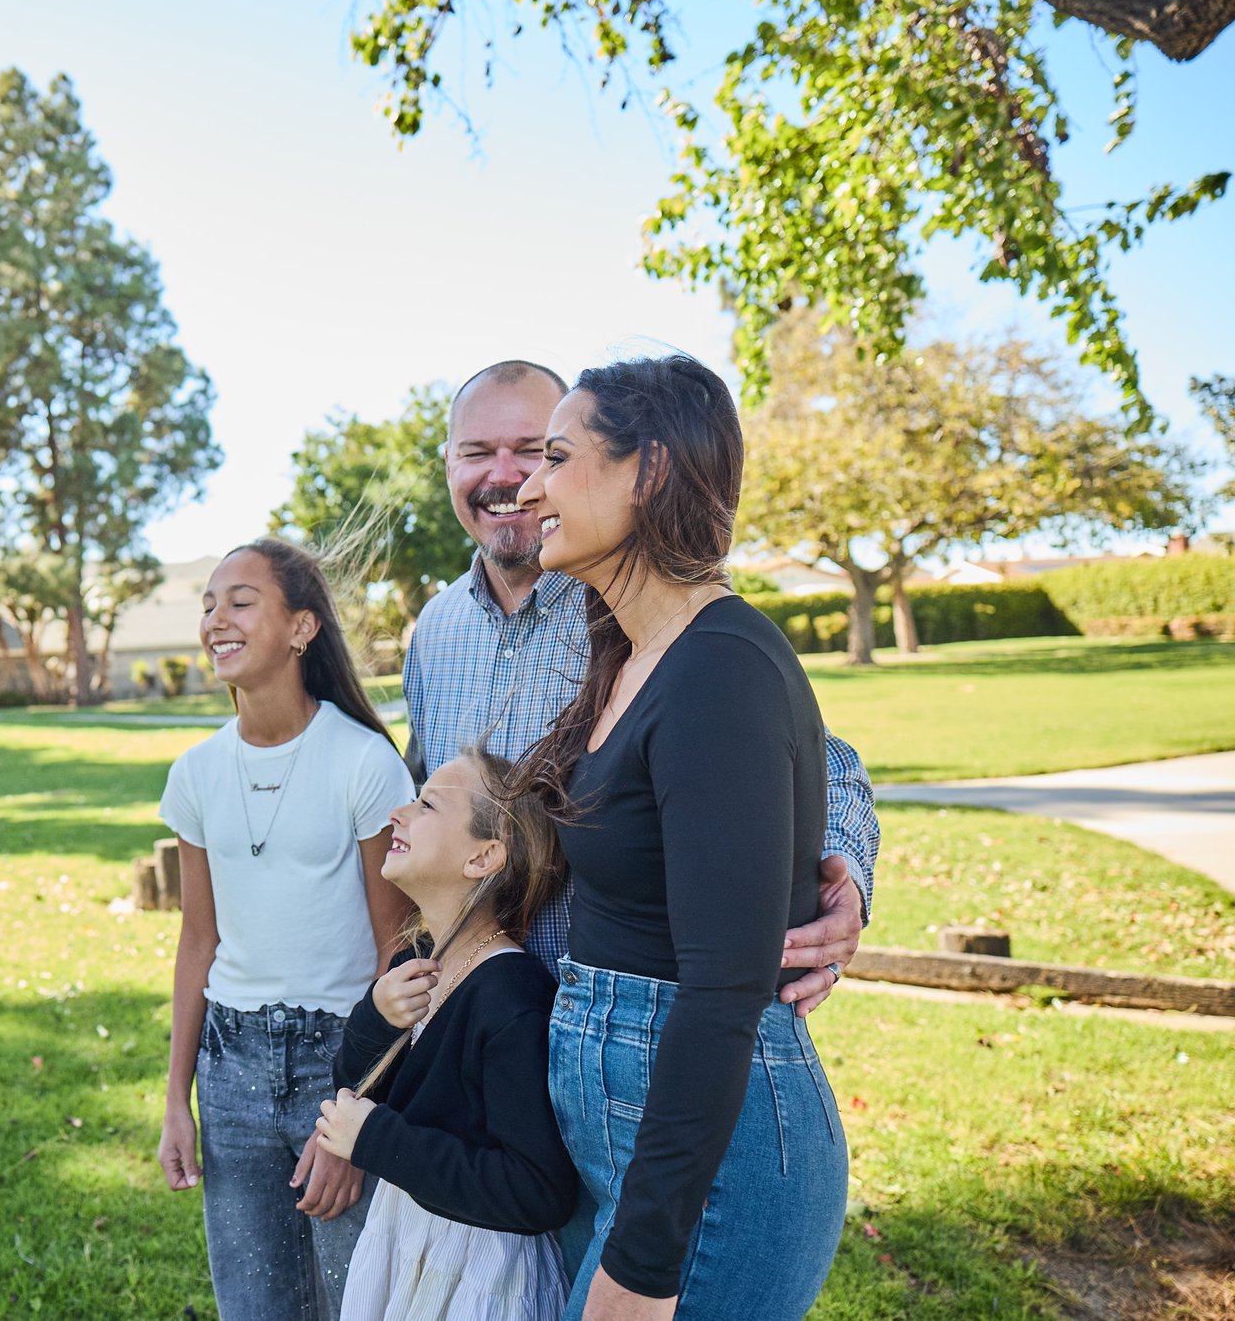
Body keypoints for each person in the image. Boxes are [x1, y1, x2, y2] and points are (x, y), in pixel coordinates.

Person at [516, 354, 849, 1318]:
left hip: (714, 1170)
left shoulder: (721, 667)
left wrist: (645, 1262)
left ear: (648, 470)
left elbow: (723, 989)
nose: (530, 485)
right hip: (632, 1143)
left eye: (558, 455)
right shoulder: (635, 651)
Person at [402, 359, 878, 1013]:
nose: (510, 476)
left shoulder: (636, 600)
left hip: (624, 1027)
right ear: (448, 462)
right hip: (476, 1040)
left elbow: (826, 765)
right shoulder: (434, 630)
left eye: (539, 451)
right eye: (477, 452)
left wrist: (841, 884)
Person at [155, 537, 415, 1321]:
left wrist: (351, 1114)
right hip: (229, 1067)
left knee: (352, 1300)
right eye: (207, 603)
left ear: (302, 629)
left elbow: (394, 950)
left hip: (338, 1057)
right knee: (254, 1304)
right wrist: (177, 1096)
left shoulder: (363, 762)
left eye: (240, 600)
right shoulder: (195, 773)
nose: (216, 618)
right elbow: (198, 939)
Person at [319, 749, 578, 1321]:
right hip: (408, 1236)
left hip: (478, 1270)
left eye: (427, 804)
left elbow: (538, 1190)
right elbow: (353, 1092)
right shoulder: (416, 961)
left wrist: (381, 1142)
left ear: (483, 856)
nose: (397, 813)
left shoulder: (510, 998)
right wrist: (376, 1017)